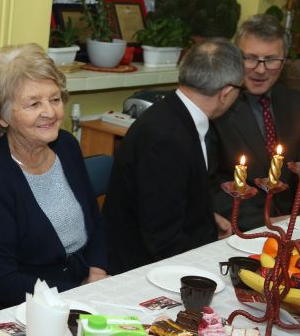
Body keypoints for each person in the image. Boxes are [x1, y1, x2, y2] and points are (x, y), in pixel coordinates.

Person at [0, 43, 108, 315]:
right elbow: (2, 280)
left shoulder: (66, 146)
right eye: (34, 104)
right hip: (19, 309)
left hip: (84, 289)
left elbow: (95, 222)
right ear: (2, 116)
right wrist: (76, 293)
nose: (50, 112)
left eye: (55, 99)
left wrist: (97, 271)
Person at [103, 39, 244, 273]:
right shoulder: (165, 137)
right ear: (226, 93)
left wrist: (206, 217)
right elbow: (162, 236)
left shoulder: (178, 113)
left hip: (171, 248)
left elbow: (172, 198)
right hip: (141, 268)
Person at [212, 14, 300, 230]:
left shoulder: (295, 101)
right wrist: (264, 223)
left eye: (271, 60)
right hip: (241, 226)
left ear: (284, 61)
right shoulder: (217, 105)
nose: (260, 70)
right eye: (250, 58)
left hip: (295, 225)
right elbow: (210, 184)